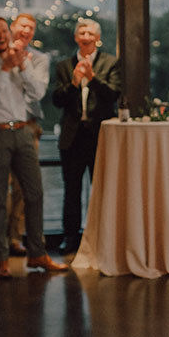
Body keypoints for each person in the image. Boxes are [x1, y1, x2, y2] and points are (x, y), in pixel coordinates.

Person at [0, 17, 68, 279]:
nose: (1, 36)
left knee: (34, 194)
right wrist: (3, 69)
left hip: (23, 131)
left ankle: (37, 252)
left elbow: (36, 94)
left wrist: (20, 66)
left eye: (4, 31)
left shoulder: (23, 59)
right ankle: (0, 258)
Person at [52, 18, 122, 254]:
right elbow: (56, 100)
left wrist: (92, 78)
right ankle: (70, 237)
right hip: (72, 137)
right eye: (81, 31)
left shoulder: (110, 63)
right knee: (71, 190)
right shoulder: (64, 65)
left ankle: (102, 236)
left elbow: (113, 95)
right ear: (76, 37)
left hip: (99, 136)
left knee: (101, 189)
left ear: (97, 38)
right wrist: (73, 83)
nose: (85, 35)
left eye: (90, 32)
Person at [4, 13, 48, 256]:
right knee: (3, 185)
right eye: (23, 26)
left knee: (26, 187)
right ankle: (1, 239)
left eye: (31, 28)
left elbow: (36, 93)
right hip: (2, 125)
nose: (26, 31)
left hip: (29, 126)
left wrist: (24, 64)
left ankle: (16, 237)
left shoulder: (39, 59)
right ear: (13, 27)